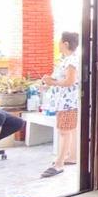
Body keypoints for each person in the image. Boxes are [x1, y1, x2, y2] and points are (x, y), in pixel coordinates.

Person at [38, 31, 81, 178]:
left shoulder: (71, 61)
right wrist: (49, 83)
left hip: (68, 102)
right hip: (64, 102)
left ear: (65, 43)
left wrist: (52, 82)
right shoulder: (65, 60)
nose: (57, 44)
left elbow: (70, 81)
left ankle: (59, 164)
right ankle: (71, 157)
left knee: (64, 131)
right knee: (70, 130)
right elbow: (60, 80)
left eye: (59, 42)